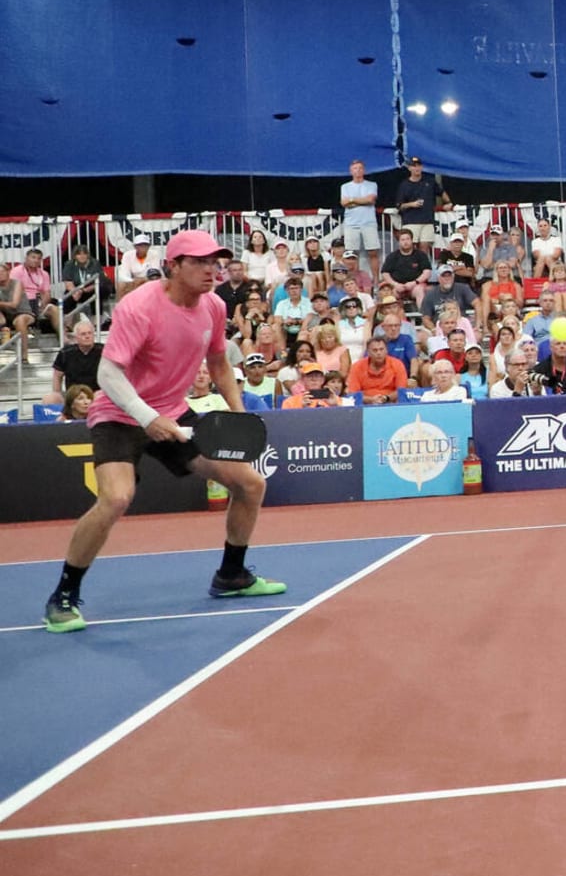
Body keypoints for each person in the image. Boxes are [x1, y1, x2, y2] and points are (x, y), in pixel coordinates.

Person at [43, 231, 283, 632]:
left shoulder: (215, 306)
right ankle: (63, 595)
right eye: (200, 262)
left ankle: (232, 575)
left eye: (216, 262)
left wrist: (239, 414)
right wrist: (145, 416)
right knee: (117, 498)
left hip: (174, 414)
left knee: (251, 484)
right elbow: (108, 372)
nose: (212, 270)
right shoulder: (140, 306)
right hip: (120, 414)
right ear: (174, 266)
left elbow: (220, 364)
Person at [338, 159, 383, 280]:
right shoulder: (345, 186)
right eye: (355, 168)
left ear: (364, 170)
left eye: (360, 168)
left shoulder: (372, 185)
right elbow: (344, 202)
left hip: (369, 223)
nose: (357, 171)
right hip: (351, 224)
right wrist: (362, 200)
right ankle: (355, 281)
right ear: (351, 171)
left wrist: (352, 200)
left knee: (373, 252)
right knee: (352, 254)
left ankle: (376, 282)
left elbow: (370, 200)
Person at [393, 156, 451, 247]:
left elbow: (441, 192)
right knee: (411, 247)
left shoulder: (430, 181)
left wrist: (449, 203)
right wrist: (412, 204)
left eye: (419, 165)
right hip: (411, 221)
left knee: (425, 246)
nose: (417, 168)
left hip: (427, 221)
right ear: (409, 168)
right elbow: (399, 205)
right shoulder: (404, 185)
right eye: (414, 166)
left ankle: (423, 262)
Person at [48, 316, 103, 405]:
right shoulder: (65, 353)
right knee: (51, 398)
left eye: (90, 333)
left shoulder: (104, 351)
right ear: (76, 337)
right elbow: (57, 376)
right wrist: (57, 393)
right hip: (73, 396)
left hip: (98, 394)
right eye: (83, 334)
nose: (87, 336)